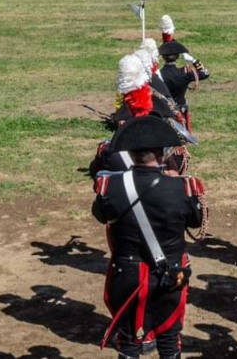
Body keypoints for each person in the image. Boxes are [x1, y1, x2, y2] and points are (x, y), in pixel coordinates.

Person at [92, 116, 206, 358]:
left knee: (129, 340)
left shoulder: (109, 187)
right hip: (170, 273)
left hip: (126, 273)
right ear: (161, 153)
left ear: (131, 153)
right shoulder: (182, 188)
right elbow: (196, 221)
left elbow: (100, 215)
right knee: (169, 338)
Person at [156, 40, 210, 131]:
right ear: (177, 57)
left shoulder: (159, 74)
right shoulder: (184, 73)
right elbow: (205, 73)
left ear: (164, 57)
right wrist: (193, 60)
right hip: (181, 110)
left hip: (165, 110)